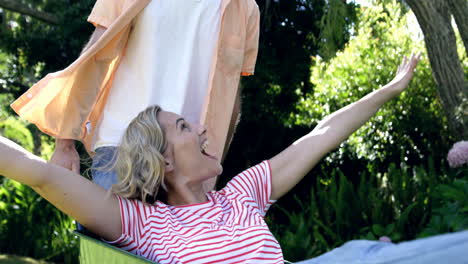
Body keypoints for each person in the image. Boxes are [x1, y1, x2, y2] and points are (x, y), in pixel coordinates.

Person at [2, 54, 467, 263]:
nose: (204, 128)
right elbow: (37, 173)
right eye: (185, 127)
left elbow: (322, 135)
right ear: (163, 161)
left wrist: (389, 90)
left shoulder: (242, 194)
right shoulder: (141, 224)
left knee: (366, 254)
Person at [10, 0, 260, 193]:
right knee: (108, 257)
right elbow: (96, 58)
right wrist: (64, 144)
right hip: (121, 149)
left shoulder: (245, 8)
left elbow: (231, 99)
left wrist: (211, 168)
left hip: (188, 167)